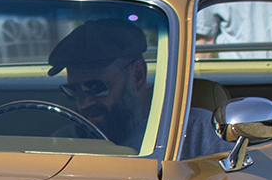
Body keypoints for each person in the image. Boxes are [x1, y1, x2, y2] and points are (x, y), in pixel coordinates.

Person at [47, 20, 222, 159]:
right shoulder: (65, 141)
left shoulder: (193, 131)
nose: (84, 103)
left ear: (137, 75)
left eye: (95, 88)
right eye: (73, 91)